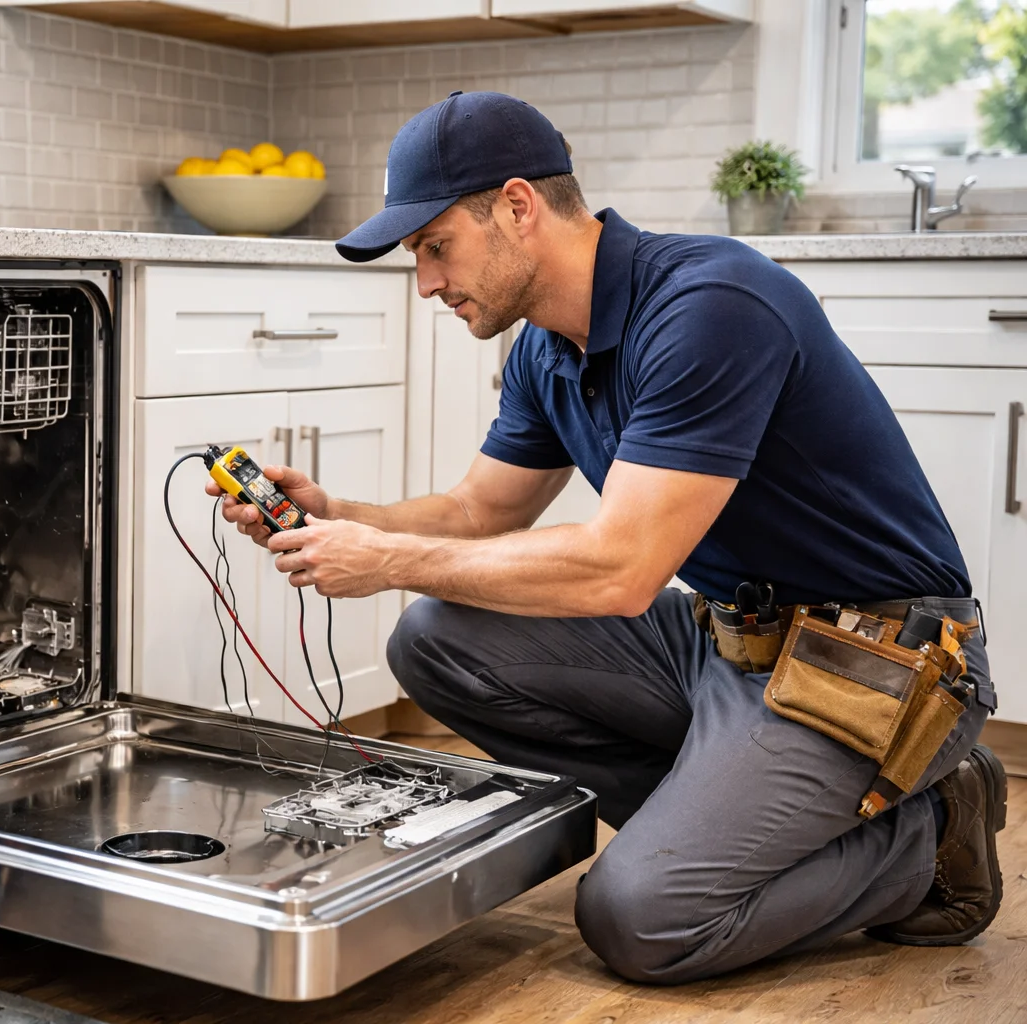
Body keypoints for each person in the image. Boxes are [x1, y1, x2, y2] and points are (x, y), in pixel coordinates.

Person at [206, 91, 1004, 984]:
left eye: (435, 247)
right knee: (436, 639)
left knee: (641, 921)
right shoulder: (547, 347)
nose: (426, 282)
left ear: (517, 207)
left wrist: (388, 560)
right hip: (729, 642)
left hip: (879, 658)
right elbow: (480, 513)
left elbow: (622, 570)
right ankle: (726, 812)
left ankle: (928, 832)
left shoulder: (712, 304)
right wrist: (345, 515)